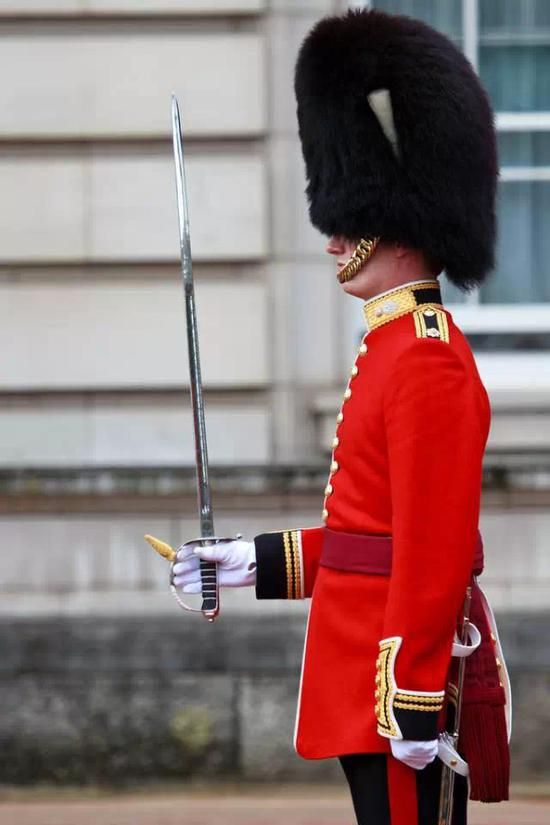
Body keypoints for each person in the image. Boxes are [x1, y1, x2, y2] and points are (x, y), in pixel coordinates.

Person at [166, 9, 511, 825]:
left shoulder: (425, 358)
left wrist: (417, 698)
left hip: (397, 694)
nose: (331, 240)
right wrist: (245, 561)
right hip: (365, 679)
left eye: (348, 217)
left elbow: (432, 551)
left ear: (401, 219)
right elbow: (367, 543)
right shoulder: (393, 349)